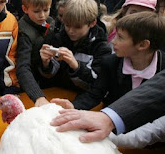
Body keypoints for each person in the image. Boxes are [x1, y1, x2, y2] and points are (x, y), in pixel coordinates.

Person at [51, 11, 165, 148]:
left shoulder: (162, 68)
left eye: (121, 37)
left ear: (142, 45)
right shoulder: (110, 63)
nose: (113, 41)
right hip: (111, 132)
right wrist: (74, 107)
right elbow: (95, 94)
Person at [39, 0, 111, 93]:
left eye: (77, 27)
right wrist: (45, 63)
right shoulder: (59, 38)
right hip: (57, 92)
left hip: (83, 97)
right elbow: (50, 75)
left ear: (92, 23)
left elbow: (97, 84)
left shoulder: (101, 47)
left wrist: (76, 66)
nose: (71, 31)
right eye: (67, 25)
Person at [16, 0, 55, 107]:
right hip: (29, 88)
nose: (42, 15)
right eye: (37, 11)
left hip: (49, 84)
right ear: (25, 9)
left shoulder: (50, 23)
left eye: (46, 10)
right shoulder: (24, 32)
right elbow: (23, 67)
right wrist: (37, 96)